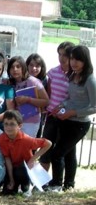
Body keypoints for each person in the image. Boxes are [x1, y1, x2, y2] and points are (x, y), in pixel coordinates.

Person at [41, 45, 96, 192]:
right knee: (69, 153)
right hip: (65, 120)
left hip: (79, 123)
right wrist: (62, 105)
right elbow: (70, 98)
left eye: (78, 59)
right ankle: (68, 185)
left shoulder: (90, 79)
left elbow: (94, 106)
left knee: (57, 153)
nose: (74, 62)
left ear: (85, 61)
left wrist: (73, 112)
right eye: (72, 58)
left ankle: (56, 184)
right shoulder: (72, 75)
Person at [0, 110, 52, 196]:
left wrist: (33, 159)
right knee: (8, 192)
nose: (8, 127)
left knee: (21, 172)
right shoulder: (1, 139)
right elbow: (7, 158)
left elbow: (48, 143)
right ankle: (14, 185)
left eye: (12, 124)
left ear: (19, 126)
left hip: (24, 169)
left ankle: (26, 186)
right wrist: (11, 179)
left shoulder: (26, 140)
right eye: (6, 124)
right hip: (11, 168)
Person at [7, 55, 49, 138]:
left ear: (23, 67)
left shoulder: (33, 81)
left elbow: (46, 101)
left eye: (18, 67)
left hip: (31, 123)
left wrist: (28, 100)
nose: (15, 69)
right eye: (12, 67)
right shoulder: (10, 83)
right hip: (15, 121)